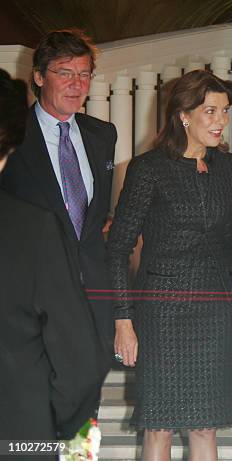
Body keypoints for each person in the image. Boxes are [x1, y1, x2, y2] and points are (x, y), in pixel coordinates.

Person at [108, 70, 232, 461]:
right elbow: (118, 247)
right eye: (211, 110)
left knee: (205, 425)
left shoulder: (230, 169)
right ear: (184, 114)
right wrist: (123, 318)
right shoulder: (149, 169)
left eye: (226, 111)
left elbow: (224, 242)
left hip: (214, 310)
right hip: (162, 312)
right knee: (160, 426)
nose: (221, 120)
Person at [0, 71, 107, 453]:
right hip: (20, 428)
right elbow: (79, 364)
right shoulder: (31, 229)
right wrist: (65, 436)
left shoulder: (100, 136)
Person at [0, 29, 118, 354]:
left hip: (92, 301)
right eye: (65, 73)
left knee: (86, 401)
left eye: (84, 75)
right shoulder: (12, 136)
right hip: (29, 304)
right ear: (38, 76)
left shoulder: (103, 135)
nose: (77, 84)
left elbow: (95, 221)